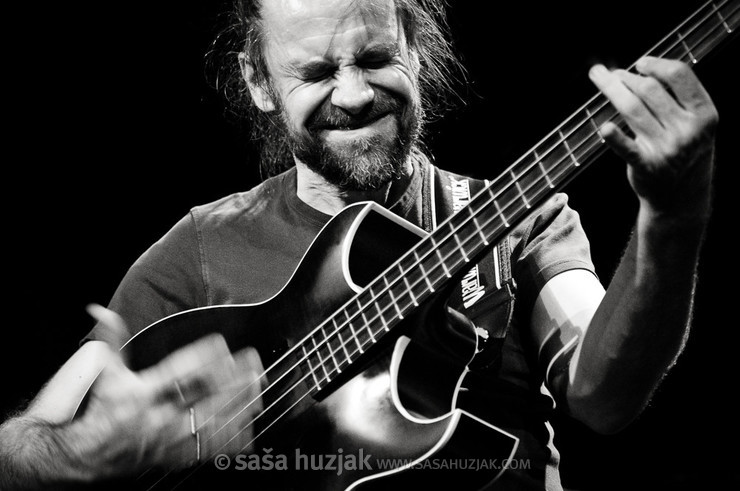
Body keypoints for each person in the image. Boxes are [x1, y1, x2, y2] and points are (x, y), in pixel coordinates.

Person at [0, 0, 720, 489]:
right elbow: (15, 453)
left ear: (415, 44)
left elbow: (604, 394)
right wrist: (83, 452)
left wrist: (673, 213)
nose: (352, 94)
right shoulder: (202, 247)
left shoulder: (512, 214)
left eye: (375, 57)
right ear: (257, 81)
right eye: (314, 72)